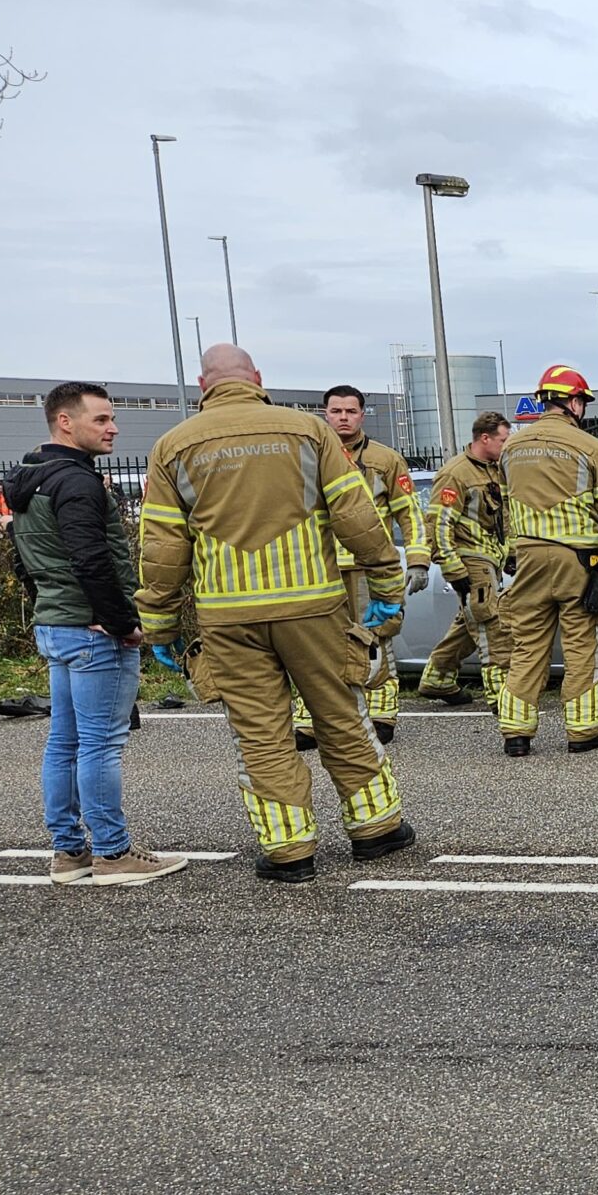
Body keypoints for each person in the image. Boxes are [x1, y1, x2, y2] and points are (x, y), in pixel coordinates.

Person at [134, 344, 415, 882]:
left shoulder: (173, 447)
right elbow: (356, 515)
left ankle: (289, 851)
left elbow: (163, 548)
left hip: (228, 618)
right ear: (257, 379)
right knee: (340, 714)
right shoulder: (308, 431)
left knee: (259, 733)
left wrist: (161, 624)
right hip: (313, 607)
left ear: (202, 386)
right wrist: (385, 582)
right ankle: (376, 830)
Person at [0, 385, 182, 886]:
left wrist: (52, 604)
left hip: (57, 624)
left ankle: (69, 853)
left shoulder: (29, 480)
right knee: (100, 745)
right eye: (101, 419)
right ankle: (112, 853)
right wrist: (121, 621)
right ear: (65, 421)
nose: (113, 427)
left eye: (111, 418)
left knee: (64, 742)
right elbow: (91, 557)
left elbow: (24, 559)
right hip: (91, 630)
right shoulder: (76, 483)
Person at [290, 385, 430, 746]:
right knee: (316, 645)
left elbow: (409, 513)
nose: (343, 418)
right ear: (325, 414)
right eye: (336, 411)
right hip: (322, 567)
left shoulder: (384, 460)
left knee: (375, 639)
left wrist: (417, 559)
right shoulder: (306, 458)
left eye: (350, 411)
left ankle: (381, 716)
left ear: (362, 415)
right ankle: (310, 721)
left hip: (371, 568)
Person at [497, 364, 598, 756]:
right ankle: (583, 732)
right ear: (571, 402)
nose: (582, 407)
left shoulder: (512, 447)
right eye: (581, 400)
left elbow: (507, 499)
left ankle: (516, 733)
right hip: (577, 560)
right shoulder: (589, 447)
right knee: (581, 642)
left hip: (529, 557)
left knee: (528, 644)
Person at [417, 411, 511, 701]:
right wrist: (453, 568)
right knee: (491, 624)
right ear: (485, 438)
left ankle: (438, 678)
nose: (507, 447)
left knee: (468, 621)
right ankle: (503, 697)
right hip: (470, 561)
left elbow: (505, 515)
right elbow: (439, 524)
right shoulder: (456, 473)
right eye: (503, 440)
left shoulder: (496, 469)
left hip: (491, 559)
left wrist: (513, 550)